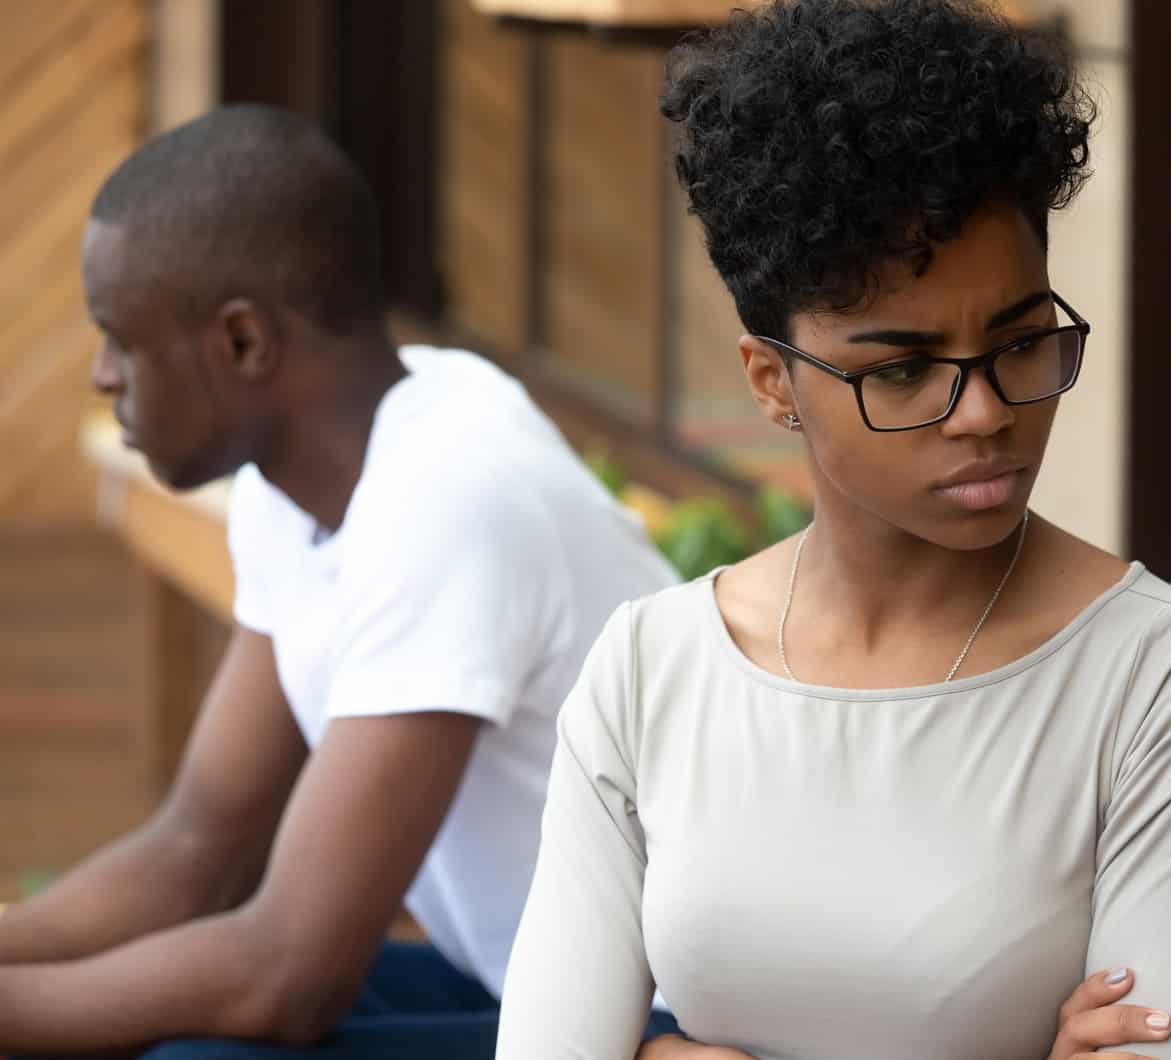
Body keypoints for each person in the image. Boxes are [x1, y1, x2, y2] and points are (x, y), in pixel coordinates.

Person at [496, 1, 1171, 1058]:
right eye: (904, 369)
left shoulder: (1170, 682)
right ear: (772, 383)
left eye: (1019, 342)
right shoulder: (652, 671)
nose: (985, 412)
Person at [0, 104, 677, 1058]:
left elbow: (289, 977)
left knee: (187, 1054)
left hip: (672, 1019)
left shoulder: (450, 492)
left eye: (119, 338)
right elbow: (197, 851)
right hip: (523, 976)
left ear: (243, 343)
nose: (104, 375)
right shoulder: (303, 482)